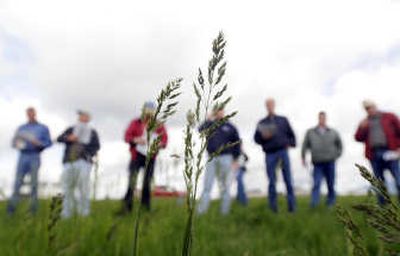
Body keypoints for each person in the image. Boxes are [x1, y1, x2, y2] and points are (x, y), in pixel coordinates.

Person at [122, 101, 168, 212]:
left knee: (147, 183)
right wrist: (135, 139)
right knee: (132, 181)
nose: (149, 112)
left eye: (152, 110)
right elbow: (127, 136)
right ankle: (127, 208)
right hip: (136, 156)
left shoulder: (159, 125)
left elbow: (165, 140)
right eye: (147, 109)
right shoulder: (135, 122)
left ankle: (145, 208)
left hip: (151, 157)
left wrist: (159, 144)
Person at [254, 98, 296, 213]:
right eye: (268, 105)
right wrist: (263, 137)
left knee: (288, 179)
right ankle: (273, 209)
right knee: (272, 181)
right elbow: (256, 139)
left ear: (274, 105)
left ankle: (292, 209)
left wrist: (289, 144)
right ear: (266, 106)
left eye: (271, 104)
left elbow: (292, 136)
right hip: (270, 154)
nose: (270, 106)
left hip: (283, 152)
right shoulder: (261, 122)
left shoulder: (283, 120)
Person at [7, 107, 52, 214]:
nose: (30, 114)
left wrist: (40, 144)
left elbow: (49, 143)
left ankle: (33, 212)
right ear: (27, 114)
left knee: (34, 184)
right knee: (17, 183)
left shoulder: (43, 128)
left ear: (35, 114)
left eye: (32, 112)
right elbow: (14, 143)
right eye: (28, 113)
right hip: (22, 155)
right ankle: (11, 211)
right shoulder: (21, 128)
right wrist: (17, 144)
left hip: (35, 155)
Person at [197, 104, 240, 215]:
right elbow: (200, 130)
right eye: (216, 110)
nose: (219, 112)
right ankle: (201, 212)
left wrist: (235, 160)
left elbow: (237, 143)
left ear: (223, 111)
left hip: (226, 158)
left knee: (225, 186)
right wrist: (208, 118)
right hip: (211, 158)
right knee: (207, 185)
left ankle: (224, 213)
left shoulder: (230, 126)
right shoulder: (210, 125)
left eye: (220, 110)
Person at [355, 100, 400, 204]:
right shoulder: (365, 122)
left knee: (398, 179)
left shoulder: (389, 116)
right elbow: (358, 138)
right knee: (379, 183)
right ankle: (384, 208)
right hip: (374, 154)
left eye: (370, 107)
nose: (369, 110)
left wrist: (399, 148)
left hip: (391, 152)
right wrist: (362, 127)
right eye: (367, 109)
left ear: (375, 106)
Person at [57, 110, 100, 218]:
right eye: (81, 115)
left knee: (84, 187)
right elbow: (59, 138)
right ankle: (66, 213)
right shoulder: (70, 129)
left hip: (84, 161)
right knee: (67, 187)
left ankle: (84, 213)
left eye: (85, 115)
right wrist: (69, 138)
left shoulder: (92, 132)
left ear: (89, 118)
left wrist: (86, 151)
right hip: (69, 162)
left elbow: (97, 146)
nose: (82, 117)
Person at [301, 111, 343, 208]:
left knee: (331, 184)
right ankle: (314, 205)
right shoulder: (310, 132)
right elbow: (304, 145)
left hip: (330, 162)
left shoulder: (333, 132)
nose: (322, 120)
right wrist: (303, 157)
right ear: (318, 119)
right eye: (320, 118)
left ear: (326, 119)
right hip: (317, 163)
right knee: (316, 184)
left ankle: (331, 204)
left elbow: (340, 146)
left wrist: (335, 155)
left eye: (323, 118)